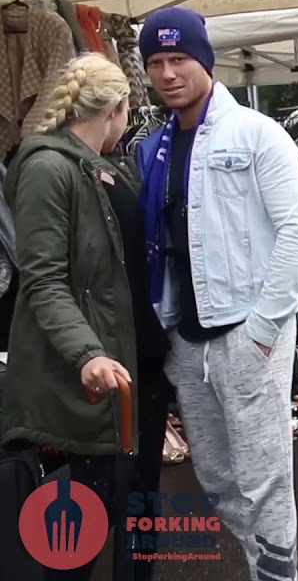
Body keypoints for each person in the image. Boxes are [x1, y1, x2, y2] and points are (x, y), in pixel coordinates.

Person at [135, 7, 298, 581]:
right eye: (156, 62)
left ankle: (277, 575)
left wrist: (263, 330)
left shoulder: (257, 135)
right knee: (215, 478)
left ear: (204, 60)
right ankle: (264, 563)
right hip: (187, 338)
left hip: (246, 330)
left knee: (264, 477)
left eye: (179, 58)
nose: (168, 73)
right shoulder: (153, 148)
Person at [2, 53, 170, 581]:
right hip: (90, 384)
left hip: (134, 373)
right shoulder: (48, 169)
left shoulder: (105, 167)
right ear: (117, 108)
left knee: (138, 512)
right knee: (78, 537)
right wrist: (88, 354)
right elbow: (43, 280)